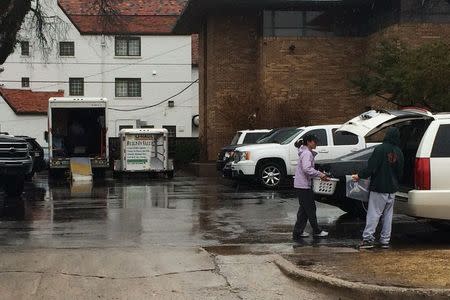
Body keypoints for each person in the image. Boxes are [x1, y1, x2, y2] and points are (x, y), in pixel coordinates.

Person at [353, 127, 404, 249]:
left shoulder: (380, 149)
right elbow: (400, 172)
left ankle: (368, 239)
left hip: (379, 187)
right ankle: (385, 240)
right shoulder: (399, 152)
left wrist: (359, 175)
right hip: (392, 189)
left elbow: (371, 167)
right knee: (388, 215)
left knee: (374, 214)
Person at [293, 134, 329, 241]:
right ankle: (316, 231)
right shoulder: (307, 153)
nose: (316, 143)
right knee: (311, 208)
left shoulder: (305, 152)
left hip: (302, 184)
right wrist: (320, 174)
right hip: (303, 185)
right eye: (314, 141)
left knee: (304, 210)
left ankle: (298, 231)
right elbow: (307, 168)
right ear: (308, 142)